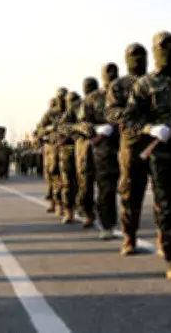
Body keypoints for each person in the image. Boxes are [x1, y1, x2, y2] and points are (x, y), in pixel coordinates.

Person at [122, 31, 171, 279]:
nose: (169, 52)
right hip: (162, 153)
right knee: (167, 206)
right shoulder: (144, 84)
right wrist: (151, 128)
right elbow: (129, 119)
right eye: (163, 47)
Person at [106, 44, 156, 255]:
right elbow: (111, 112)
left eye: (141, 56)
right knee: (130, 192)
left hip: (157, 141)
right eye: (134, 56)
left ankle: (164, 237)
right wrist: (132, 113)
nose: (138, 60)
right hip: (132, 144)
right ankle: (129, 236)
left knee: (163, 192)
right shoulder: (119, 85)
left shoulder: (156, 80)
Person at [77, 64, 121, 239]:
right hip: (104, 150)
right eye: (108, 73)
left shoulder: (128, 91)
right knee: (106, 189)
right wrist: (96, 129)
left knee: (130, 189)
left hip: (129, 146)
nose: (111, 76)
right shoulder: (93, 98)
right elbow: (82, 123)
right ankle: (108, 225)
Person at [36, 91, 66, 215]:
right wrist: (50, 129)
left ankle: (60, 204)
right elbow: (39, 130)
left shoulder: (70, 111)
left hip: (65, 147)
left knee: (63, 178)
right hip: (51, 149)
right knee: (51, 176)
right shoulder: (50, 114)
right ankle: (54, 202)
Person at [75, 77, 99, 228]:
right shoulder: (78, 105)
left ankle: (106, 215)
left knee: (106, 184)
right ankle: (88, 212)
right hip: (85, 148)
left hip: (105, 146)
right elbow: (64, 125)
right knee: (86, 183)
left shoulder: (106, 99)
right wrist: (81, 128)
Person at [57, 91, 82, 224]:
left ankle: (82, 209)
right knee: (67, 182)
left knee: (83, 181)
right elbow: (60, 129)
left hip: (82, 149)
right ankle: (68, 211)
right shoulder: (64, 114)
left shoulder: (84, 109)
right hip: (67, 151)